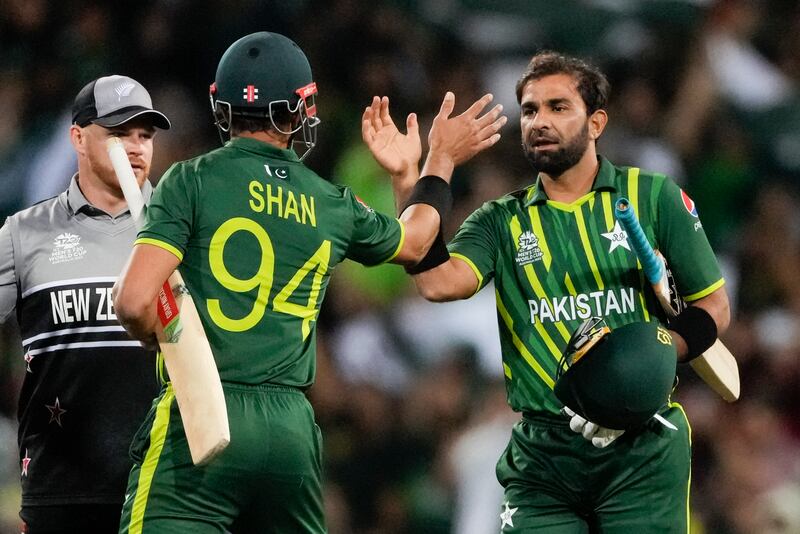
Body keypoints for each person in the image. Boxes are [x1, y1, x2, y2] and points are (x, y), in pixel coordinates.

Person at [112, 31, 504, 533]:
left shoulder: (191, 180)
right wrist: (428, 165)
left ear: (221, 105)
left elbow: (133, 301)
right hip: (290, 429)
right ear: (300, 111)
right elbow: (418, 242)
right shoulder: (329, 201)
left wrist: (160, 338)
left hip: (203, 411)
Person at [405, 51, 731, 532]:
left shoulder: (654, 197)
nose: (539, 121)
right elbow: (434, 280)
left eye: (558, 107)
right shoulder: (501, 220)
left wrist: (643, 365)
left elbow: (713, 307)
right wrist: (434, 165)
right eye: (531, 110)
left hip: (641, 446)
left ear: (596, 122)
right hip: (545, 455)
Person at [0, 75, 170, 533]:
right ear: (77, 137)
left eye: (145, 135)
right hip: (59, 492)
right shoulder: (24, 233)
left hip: (162, 489)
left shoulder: (177, 233)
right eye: (119, 133)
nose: (136, 148)